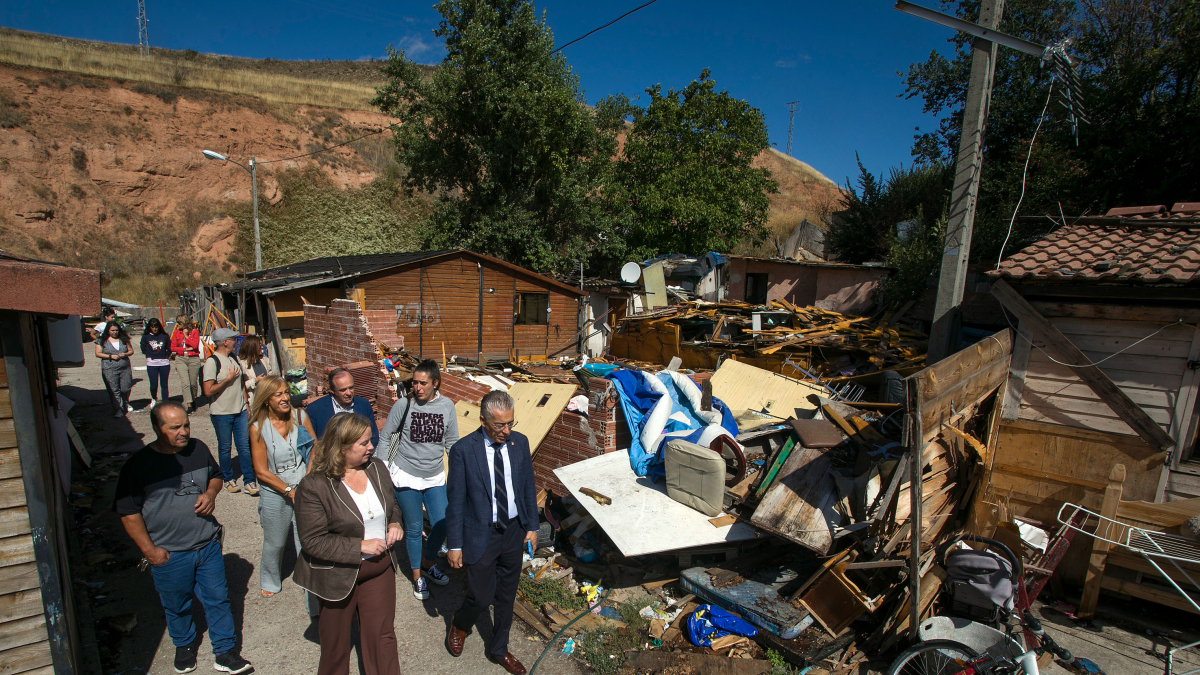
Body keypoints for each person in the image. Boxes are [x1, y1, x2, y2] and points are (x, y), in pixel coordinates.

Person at [113, 401, 253, 675]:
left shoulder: (198, 449)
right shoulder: (139, 466)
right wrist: (151, 552)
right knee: (176, 604)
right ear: (156, 428)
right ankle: (184, 645)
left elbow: (216, 476)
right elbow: (128, 514)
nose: (184, 432)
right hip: (169, 552)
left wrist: (211, 494)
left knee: (218, 599)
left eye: (186, 425)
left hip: (206, 545)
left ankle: (225, 652)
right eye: (175, 427)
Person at [294, 413, 403, 675]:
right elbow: (313, 542)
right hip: (337, 576)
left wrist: (395, 524)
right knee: (336, 647)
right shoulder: (314, 486)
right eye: (363, 443)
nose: (371, 447)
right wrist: (359, 546)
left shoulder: (377, 468)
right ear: (342, 447)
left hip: (379, 570)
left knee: (382, 639)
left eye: (370, 441)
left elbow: (392, 507)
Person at [445, 391, 538, 675]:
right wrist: (455, 544)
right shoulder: (463, 451)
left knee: (506, 596)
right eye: (500, 425)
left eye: (510, 423)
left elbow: (527, 487)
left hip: (513, 531)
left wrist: (532, 525)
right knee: (481, 596)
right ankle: (461, 624)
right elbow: (456, 502)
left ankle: (499, 649)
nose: (507, 430)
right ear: (483, 419)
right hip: (480, 534)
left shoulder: (519, 443)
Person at [380, 359, 458, 599]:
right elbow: (385, 437)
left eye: (423, 383)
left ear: (436, 383)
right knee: (414, 528)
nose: (417, 387)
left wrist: (460, 474)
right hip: (406, 475)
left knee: (442, 523)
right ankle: (418, 577)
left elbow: (452, 443)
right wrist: (382, 469)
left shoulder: (447, 406)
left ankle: (427, 562)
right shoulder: (403, 405)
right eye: (414, 382)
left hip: (434, 475)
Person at [248, 375, 318, 601]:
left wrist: (306, 482)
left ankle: (313, 584)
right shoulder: (258, 428)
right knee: (275, 541)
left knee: (306, 538)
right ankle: (270, 579)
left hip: (302, 484)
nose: (285, 397)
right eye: (278, 394)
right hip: (274, 489)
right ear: (266, 399)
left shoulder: (299, 416)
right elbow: (260, 471)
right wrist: (289, 491)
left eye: (286, 392)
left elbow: (314, 449)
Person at [202, 328, 258, 496]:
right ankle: (228, 479)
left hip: (239, 410)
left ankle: (249, 480)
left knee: (244, 447)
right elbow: (208, 391)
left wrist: (245, 404)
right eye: (233, 339)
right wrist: (227, 380)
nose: (235, 341)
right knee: (225, 447)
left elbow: (241, 382)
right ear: (225, 342)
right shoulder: (212, 362)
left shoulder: (233, 358)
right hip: (221, 412)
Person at [306, 368, 380, 446]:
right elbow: (311, 444)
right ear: (332, 390)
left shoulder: (364, 405)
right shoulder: (315, 409)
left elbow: (373, 436)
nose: (348, 393)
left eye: (351, 388)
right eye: (343, 390)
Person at [95, 321, 135, 417]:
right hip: (109, 368)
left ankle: (125, 401)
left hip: (124, 367)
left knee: (126, 387)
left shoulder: (123, 339)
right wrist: (110, 356)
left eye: (116, 330)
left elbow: (131, 351)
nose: (115, 332)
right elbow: (98, 353)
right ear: (108, 330)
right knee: (114, 390)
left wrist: (125, 354)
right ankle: (119, 409)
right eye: (112, 330)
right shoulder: (101, 340)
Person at [171, 315, 203, 413]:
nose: (177, 325)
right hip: (181, 358)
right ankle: (188, 403)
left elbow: (195, 345)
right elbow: (172, 347)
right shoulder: (176, 332)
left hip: (193, 359)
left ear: (184, 323)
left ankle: (193, 399)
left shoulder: (194, 332)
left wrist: (186, 336)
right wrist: (184, 349)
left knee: (193, 383)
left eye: (179, 323)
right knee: (185, 383)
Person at [141, 318, 172, 410]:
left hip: (164, 363)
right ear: (149, 327)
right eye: (152, 327)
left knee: (164, 384)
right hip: (152, 363)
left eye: (156, 327)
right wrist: (149, 355)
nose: (154, 329)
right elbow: (143, 348)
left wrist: (166, 355)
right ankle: (154, 398)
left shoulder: (164, 336)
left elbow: (169, 347)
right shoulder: (146, 336)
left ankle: (165, 401)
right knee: (154, 384)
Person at [236, 334, 275, 399]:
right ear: (252, 348)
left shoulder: (264, 359)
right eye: (259, 346)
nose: (262, 347)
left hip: (266, 397)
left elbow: (270, 374)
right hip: (252, 398)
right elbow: (239, 386)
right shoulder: (241, 364)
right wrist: (255, 380)